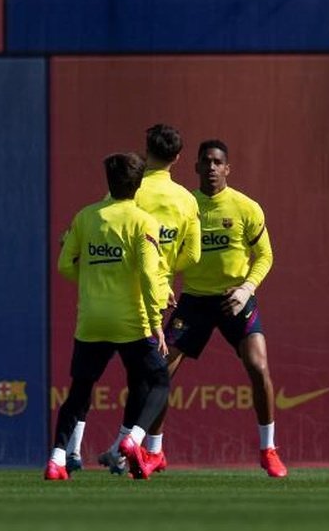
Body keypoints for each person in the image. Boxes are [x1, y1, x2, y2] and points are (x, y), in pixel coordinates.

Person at [68, 124, 202, 475]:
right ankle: (126, 443)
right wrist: (166, 269)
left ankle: (75, 452)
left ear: (146, 151)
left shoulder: (131, 190)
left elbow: (104, 230)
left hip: (112, 295)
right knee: (147, 378)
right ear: (178, 157)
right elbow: (194, 256)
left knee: (87, 379)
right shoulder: (187, 199)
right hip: (153, 296)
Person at [148, 139, 287, 478]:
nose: (211, 167)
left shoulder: (245, 207)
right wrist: (164, 283)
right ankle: (154, 452)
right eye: (205, 162)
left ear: (227, 168)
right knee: (160, 372)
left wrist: (246, 288)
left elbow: (265, 255)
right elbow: (164, 253)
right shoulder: (184, 206)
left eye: (217, 162)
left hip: (234, 298)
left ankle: (268, 450)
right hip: (194, 300)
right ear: (195, 167)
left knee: (258, 366)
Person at [45, 152, 170, 481]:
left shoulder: (87, 216)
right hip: (131, 322)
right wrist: (156, 322)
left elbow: (63, 264)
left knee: (79, 391)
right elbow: (146, 273)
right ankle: (133, 440)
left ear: (109, 182)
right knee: (158, 380)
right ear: (138, 184)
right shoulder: (143, 221)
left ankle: (56, 460)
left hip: (92, 321)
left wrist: (90, 281)